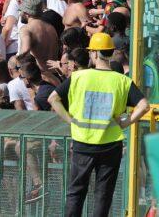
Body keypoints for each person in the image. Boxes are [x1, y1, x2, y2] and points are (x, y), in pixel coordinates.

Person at [48, 32, 149, 217]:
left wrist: (71, 120)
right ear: (110, 53)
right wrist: (126, 122)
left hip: (82, 143)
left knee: (76, 192)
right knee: (103, 195)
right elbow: (144, 106)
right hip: (110, 146)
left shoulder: (78, 77)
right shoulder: (122, 81)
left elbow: (53, 99)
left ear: (93, 53)